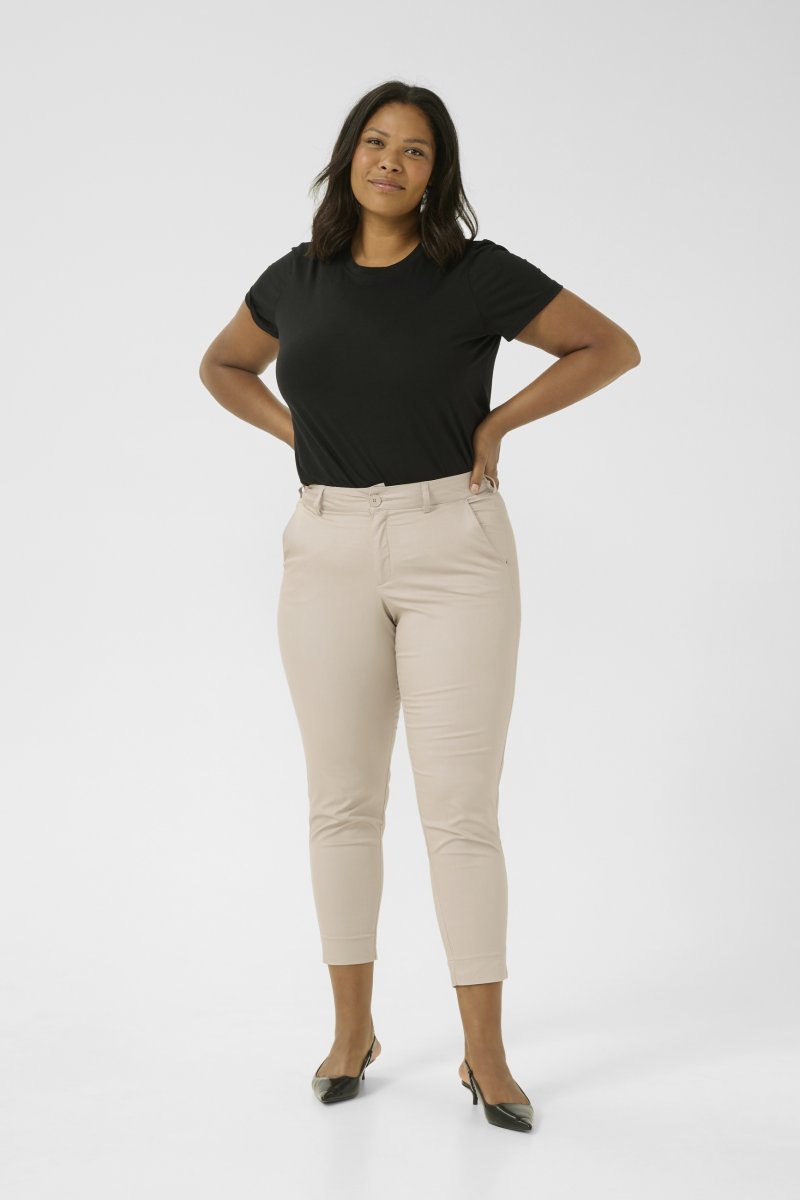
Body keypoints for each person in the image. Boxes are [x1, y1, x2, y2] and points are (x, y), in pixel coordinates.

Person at [199, 80, 640, 1133]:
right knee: (341, 803)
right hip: (327, 545)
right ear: (347, 155)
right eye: (375, 141)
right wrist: (297, 436)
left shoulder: (475, 275)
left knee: (459, 810)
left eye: (415, 150)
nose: (390, 162)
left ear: (437, 174)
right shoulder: (296, 279)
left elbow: (606, 346)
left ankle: (485, 1054)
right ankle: (352, 1031)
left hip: (455, 547)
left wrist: (496, 426)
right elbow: (221, 365)